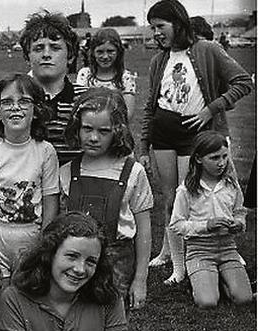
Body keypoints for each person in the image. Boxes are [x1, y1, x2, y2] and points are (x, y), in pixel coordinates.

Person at [141, 0, 252, 285]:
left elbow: (243, 81)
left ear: (178, 23)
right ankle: (177, 265)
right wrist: (144, 146)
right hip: (164, 134)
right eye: (152, 27)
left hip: (196, 136)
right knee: (171, 199)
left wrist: (210, 110)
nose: (155, 33)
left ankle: (215, 253)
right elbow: (150, 107)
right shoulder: (158, 61)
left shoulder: (207, 49)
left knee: (192, 193)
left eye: (160, 27)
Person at [60, 88, 153, 310]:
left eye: (104, 131)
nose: (93, 137)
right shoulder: (66, 172)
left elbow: (144, 229)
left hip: (117, 262)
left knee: (112, 320)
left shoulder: (133, 172)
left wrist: (140, 279)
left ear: (117, 132)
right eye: (87, 129)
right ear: (77, 128)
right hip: (74, 262)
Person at [0, 74, 59, 292]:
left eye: (24, 101)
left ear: (36, 111)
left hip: (30, 236)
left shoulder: (45, 151)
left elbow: (50, 204)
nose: (15, 108)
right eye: (7, 102)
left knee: (25, 298)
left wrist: (39, 249)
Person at [169, 131, 251, 308]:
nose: (221, 163)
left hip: (228, 248)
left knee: (244, 299)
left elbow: (240, 211)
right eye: (214, 158)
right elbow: (176, 224)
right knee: (207, 302)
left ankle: (221, 279)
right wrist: (205, 226)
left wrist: (238, 223)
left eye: (224, 157)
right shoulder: (187, 189)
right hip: (200, 250)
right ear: (198, 159)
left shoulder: (231, 184)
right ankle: (204, 279)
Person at [19, 11, 88, 164]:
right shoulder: (14, 99)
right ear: (27, 56)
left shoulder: (87, 100)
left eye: (55, 48)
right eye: (38, 48)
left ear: (70, 56)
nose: (46, 54)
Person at [74, 29, 138, 119]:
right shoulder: (85, 75)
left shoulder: (125, 77)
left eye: (110, 51)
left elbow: (128, 114)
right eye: (100, 52)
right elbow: (79, 108)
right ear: (93, 52)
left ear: (118, 52)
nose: (105, 56)